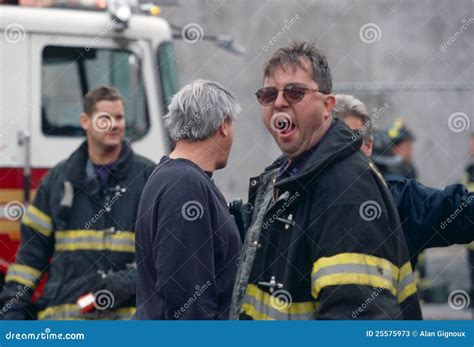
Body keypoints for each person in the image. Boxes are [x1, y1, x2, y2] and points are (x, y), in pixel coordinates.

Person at [230, 42, 421, 320]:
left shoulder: (348, 187)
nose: (280, 102)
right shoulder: (282, 178)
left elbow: (356, 320)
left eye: (295, 92)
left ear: (327, 106)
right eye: (268, 94)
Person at [0, 86, 155, 320]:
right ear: (85, 121)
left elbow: (166, 255)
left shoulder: (148, 178)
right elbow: (30, 259)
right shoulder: (56, 182)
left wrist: (126, 282)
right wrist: (12, 309)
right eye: (105, 118)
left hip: (128, 327)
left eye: (120, 118)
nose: (114, 125)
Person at [134, 79, 242, 320]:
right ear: (224, 125)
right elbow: (187, 297)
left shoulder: (169, 177)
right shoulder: (186, 186)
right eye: (233, 124)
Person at [334, 94, 474, 267]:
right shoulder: (299, 201)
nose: (346, 148)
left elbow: (459, 211)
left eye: (355, 138)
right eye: (337, 138)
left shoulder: (398, 200)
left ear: (368, 146)